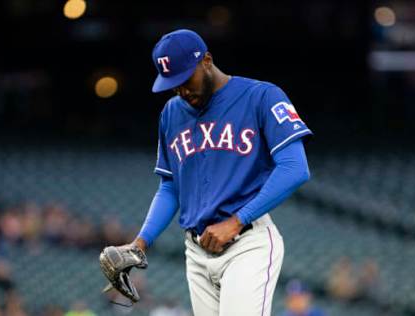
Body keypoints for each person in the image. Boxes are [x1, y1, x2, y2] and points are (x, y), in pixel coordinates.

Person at [118, 28, 312, 316]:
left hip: (246, 242)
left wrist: (237, 221)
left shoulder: (262, 96)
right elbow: (170, 186)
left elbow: (295, 168)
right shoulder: (171, 113)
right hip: (196, 252)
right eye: (172, 84)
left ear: (206, 60)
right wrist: (140, 242)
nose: (181, 89)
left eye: (185, 79)